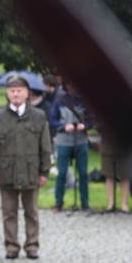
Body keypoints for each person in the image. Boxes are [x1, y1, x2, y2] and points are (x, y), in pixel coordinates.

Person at [0, 74, 52, 259]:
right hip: (7, 171)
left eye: (19, 91)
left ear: (27, 94)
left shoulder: (38, 117)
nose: (16, 94)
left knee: (31, 211)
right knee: (9, 212)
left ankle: (32, 245)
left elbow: (45, 146)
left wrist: (44, 171)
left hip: (31, 171)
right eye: (12, 91)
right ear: (7, 94)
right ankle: (11, 246)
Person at [48, 82, 93, 211]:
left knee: (83, 172)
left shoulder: (85, 101)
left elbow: (91, 119)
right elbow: (52, 120)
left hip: (81, 140)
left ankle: (85, 203)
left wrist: (85, 126)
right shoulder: (60, 100)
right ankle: (58, 202)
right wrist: (63, 126)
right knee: (62, 172)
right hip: (63, 141)